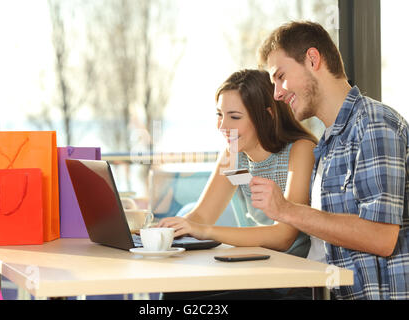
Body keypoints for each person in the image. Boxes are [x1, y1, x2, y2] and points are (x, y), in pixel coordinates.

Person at [254, 21, 409, 300]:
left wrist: (287, 210)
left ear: (313, 59)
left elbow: (381, 237)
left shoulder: (373, 124)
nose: (276, 93)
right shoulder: (329, 142)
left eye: (280, 76)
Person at [158, 68, 318, 299]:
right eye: (219, 115)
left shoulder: (301, 151)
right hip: (254, 270)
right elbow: (201, 217)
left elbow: (283, 237)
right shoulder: (235, 156)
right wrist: (164, 231)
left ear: (267, 115)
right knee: (175, 294)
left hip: (289, 281)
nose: (222, 127)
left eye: (234, 117)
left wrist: (205, 231)